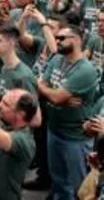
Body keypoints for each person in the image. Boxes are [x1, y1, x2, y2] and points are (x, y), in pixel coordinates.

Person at [37, 19, 99, 200]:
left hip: (75, 137)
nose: (57, 41)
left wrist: (53, 94)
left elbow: (53, 95)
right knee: (58, 182)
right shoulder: (57, 59)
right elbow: (42, 86)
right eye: (56, 38)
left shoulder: (85, 69)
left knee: (80, 188)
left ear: (77, 40)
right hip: (54, 129)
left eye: (62, 38)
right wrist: (56, 96)